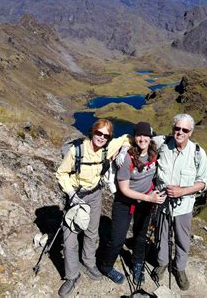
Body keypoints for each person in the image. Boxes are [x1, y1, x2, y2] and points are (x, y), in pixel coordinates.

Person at [55, 119, 130, 297]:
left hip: (95, 195)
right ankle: (72, 276)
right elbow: (61, 173)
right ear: (92, 132)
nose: (102, 137)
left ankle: (89, 263)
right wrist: (71, 194)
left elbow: (127, 137)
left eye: (106, 135)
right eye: (99, 133)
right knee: (70, 238)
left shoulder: (107, 147)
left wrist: (124, 150)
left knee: (91, 232)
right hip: (76, 196)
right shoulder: (77, 151)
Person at [99, 122, 166, 285]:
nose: (142, 138)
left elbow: (169, 139)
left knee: (141, 236)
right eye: (139, 135)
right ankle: (106, 266)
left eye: (146, 135)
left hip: (145, 202)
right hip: (125, 202)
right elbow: (124, 190)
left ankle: (137, 264)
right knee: (117, 239)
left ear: (150, 137)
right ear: (134, 137)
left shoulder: (155, 152)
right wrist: (150, 198)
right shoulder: (127, 157)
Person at [152, 114, 207, 291]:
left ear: (190, 132)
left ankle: (179, 268)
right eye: (177, 128)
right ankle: (162, 263)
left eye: (185, 130)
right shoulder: (162, 144)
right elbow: (140, 140)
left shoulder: (198, 153)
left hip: (184, 206)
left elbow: (204, 181)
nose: (180, 132)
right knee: (161, 236)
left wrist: (182, 191)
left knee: (182, 239)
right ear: (172, 129)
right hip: (162, 203)